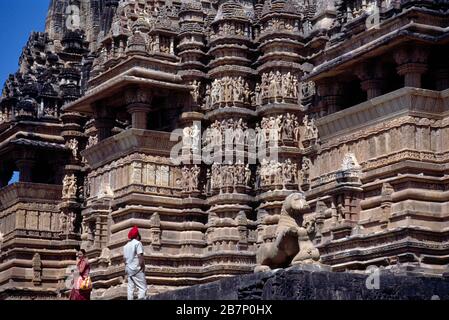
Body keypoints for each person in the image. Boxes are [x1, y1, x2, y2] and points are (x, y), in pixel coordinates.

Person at [123, 226, 148, 300]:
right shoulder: (138, 243)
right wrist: (142, 266)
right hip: (136, 269)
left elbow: (124, 259)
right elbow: (140, 256)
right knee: (142, 288)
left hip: (128, 269)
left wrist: (127, 268)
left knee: (130, 288)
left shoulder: (126, 246)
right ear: (137, 235)